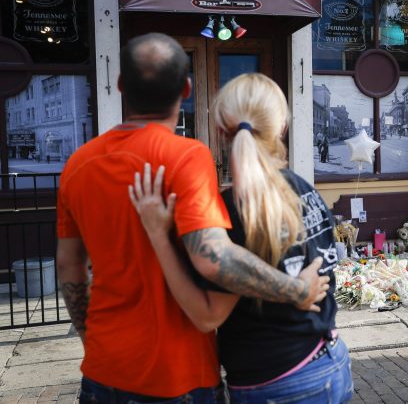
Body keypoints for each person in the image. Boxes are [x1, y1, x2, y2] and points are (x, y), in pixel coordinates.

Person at [56, 33, 329, 403]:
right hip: (179, 374)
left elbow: (70, 266)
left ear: (120, 86)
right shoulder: (187, 157)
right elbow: (213, 256)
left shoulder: (78, 165)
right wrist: (297, 290)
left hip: (104, 368)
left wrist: (95, 340)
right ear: (187, 89)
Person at [129, 73, 353, 403]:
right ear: (281, 128)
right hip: (332, 360)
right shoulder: (304, 189)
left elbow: (207, 316)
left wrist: (159, 236)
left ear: (221, 132)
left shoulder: (233, 210)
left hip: (277, 379)